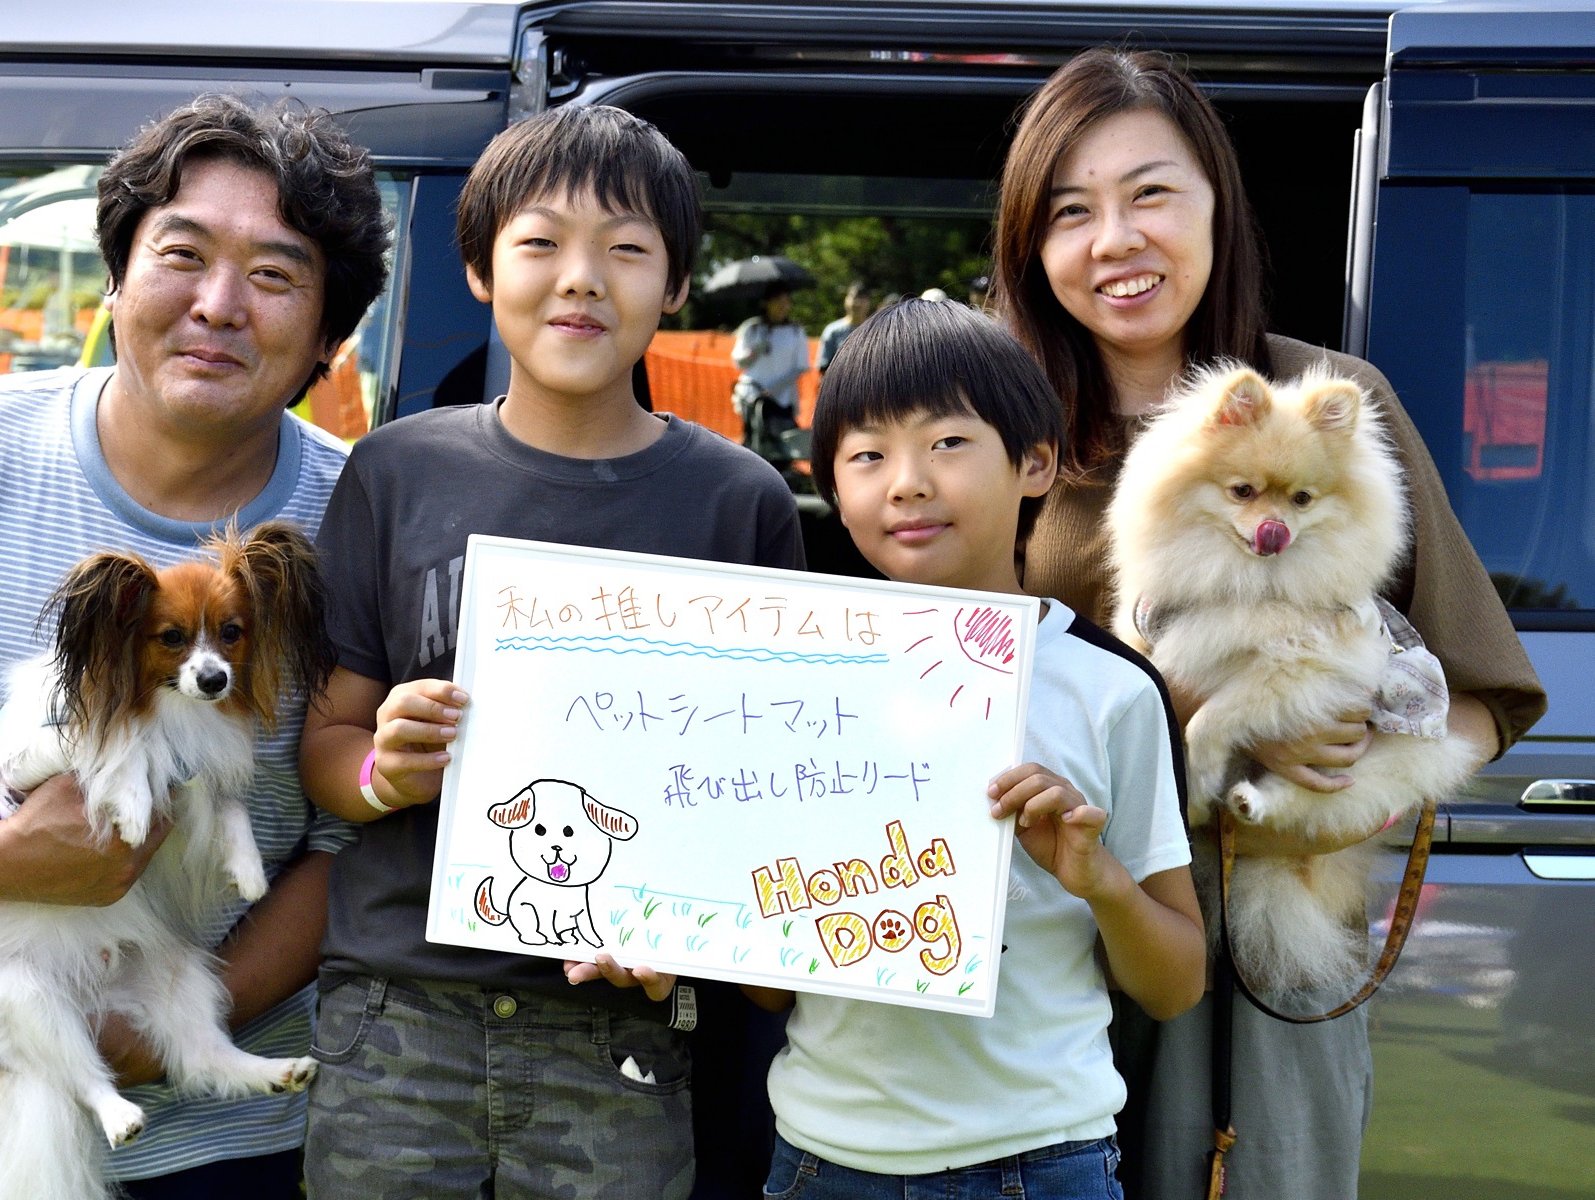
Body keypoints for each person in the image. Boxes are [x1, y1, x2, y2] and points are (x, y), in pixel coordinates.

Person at [0, 94, 390, 1198]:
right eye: (181, 254)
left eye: (276, 276)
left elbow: (363, 837)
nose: (218, 305)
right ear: (119, 275)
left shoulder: (365, 518)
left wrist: (183, 1019)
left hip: (225, 1143)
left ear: (330, 340)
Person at [989, 49, 1548, 1199]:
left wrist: (1337, 806)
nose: (1115, 240)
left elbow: (1485, 696)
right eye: (1071, 211)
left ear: (1215, 208)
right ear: (1031, 244)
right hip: (1041, 947)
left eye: (1152, 194)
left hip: (1252, 941)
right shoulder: (997, 419)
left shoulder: (1325, 400)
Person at [297, 104, 804, 1200]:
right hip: (397, 1019)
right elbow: (327, 745)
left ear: (674, 287)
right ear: (482, 270)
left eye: (625, 250)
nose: (581, 278)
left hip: (618, 1032)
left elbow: (767, 795)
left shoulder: (738, 503)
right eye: (540, 244)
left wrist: (696, 931)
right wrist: (385, 769)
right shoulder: (395, 473)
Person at [652, 296, 1202, 1197]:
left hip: (1045, 1157)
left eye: (947, 443)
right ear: (832, 483)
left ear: (1036, 463)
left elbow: (1176, 983)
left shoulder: (1109, 690)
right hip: (824, 1159)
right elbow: (770, 994)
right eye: (867, 456)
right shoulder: (789, 688)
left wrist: (1098, 878)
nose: (905, 482)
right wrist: (721, 912)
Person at [732, 281, 810, 466]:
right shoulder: (752, 328)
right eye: (778, 300)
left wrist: (774, 388)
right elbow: (738, 362)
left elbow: (801, 367)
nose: (783, 305)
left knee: (780, 449)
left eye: (786, 301)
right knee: (755, 445)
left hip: (781, 400)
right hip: (753, 398)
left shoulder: (796, 331)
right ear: (767, 303)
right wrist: (756, 349)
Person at [814, 280, 869, 374]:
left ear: (869, 302)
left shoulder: (875, 330)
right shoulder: (833, 331)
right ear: (846, 299)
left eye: (862, 298)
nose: (858, 303)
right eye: (854, 297)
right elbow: (823, 367)